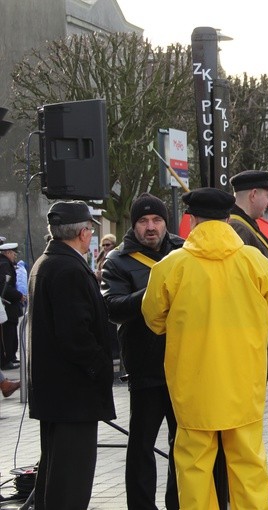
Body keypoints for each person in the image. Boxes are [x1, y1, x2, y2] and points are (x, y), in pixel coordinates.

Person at [142, 188, 268, 510]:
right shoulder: (254, 261)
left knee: (193, 465)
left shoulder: (171, 265)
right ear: (227, 217)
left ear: (191, 219)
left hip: (192, 382)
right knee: (248, 462)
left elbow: (153, 318)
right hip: (243, 379)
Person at [28, 201, 116, 510]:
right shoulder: (68, 268)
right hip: (73, 394)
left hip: (57, 394)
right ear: (82, 232)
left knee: (55, 477)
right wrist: (102, 367)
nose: (91, 235)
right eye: (91, 230)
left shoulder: (47, 262)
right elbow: (75, 334)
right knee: (70, 481)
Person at [100, 193, 184, 510]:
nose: (151, 227)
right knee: (141, 446)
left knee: (184, 446)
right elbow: (113, 308)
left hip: (185, 364)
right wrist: (154, 292)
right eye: (144, 221)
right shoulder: (117, 260)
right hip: (146, 366)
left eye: (157, 220)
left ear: (166, 222)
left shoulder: (183, 250)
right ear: (134, 225)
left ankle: (178, 503)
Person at [227, 170, 268, 486]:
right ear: (253, 194)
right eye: (267, 195)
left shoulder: (249, 226)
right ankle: (246, 478)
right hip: (252, 335)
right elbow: (252, 275)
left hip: (262, 334)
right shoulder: (237, 228)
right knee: (248, 413)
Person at [0, 241, 23, 370]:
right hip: (7, 306)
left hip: (8, 306)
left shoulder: (5, 264)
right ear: (8, 253)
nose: (15, 256)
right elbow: (4, 287)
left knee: (11, 332)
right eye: (14, 253)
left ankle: (10, 357)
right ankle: (6, 359)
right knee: (7, 334)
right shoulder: (4, 265)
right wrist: (18, 295)